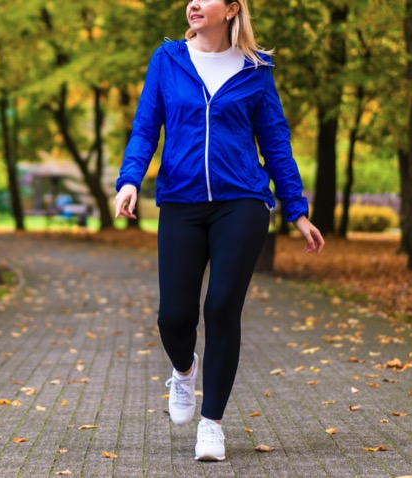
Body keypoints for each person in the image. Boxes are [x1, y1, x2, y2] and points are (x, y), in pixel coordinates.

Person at [113, 0, 324, 462]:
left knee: (223, 307)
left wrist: (297, 210)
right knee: (174, 316)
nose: (193, 3)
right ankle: (184, 371)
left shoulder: (255, 69)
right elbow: (146, 128)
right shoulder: (167, 60)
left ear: (231, 9)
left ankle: (212, 426)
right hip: (181, 203)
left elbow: (275, 141)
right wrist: (130, 180)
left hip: (242, 202)